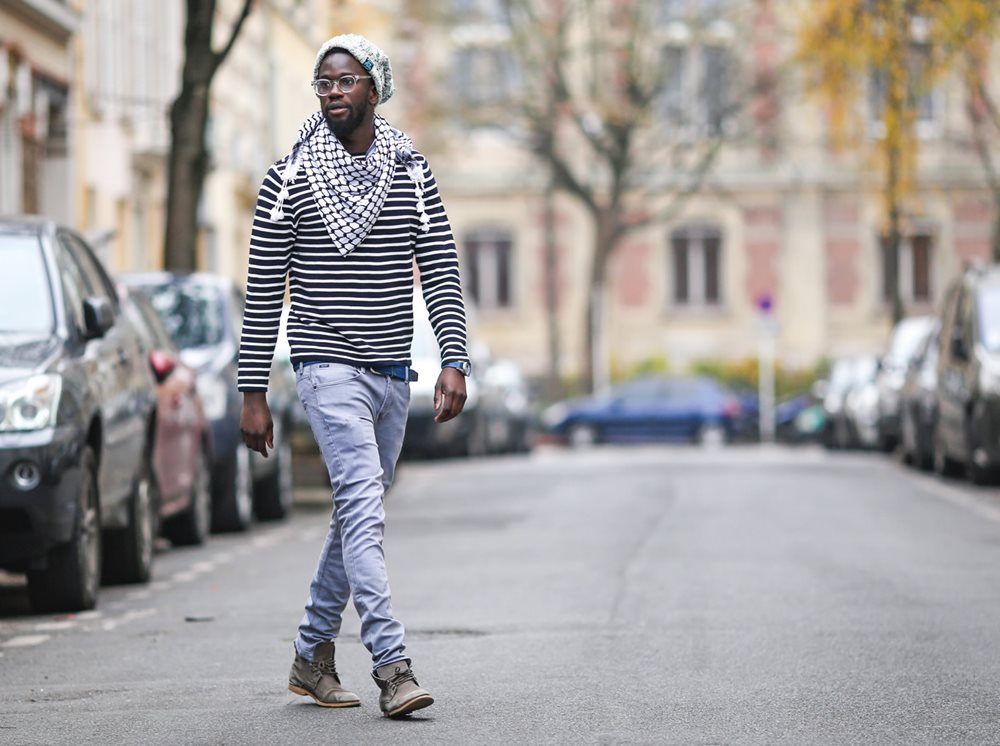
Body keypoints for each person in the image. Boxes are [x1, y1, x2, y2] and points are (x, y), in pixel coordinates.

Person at [237, 33, 471, 718]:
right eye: (324, 83)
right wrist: (253, 392)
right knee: (364, 508)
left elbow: (441, 266)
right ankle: (393, 666)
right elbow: (261, 291)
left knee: (355, 515)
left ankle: (312, 657)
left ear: (375, 86)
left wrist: (453, 358)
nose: (333, 92)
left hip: (393, 372)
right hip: (324, 365)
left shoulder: (410, 170)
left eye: (346, 80)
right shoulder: (290, 176)